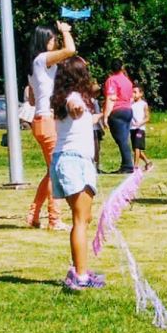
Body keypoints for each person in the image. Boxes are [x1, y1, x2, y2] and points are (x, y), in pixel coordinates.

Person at [50, 56, 105, 290]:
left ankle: (79, 269)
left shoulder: (65, 96)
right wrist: (79, 107)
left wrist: (104, 112)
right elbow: (75, 110)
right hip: (74, 162)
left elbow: (81, 119)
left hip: (68, 160)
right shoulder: (73, 98)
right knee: (81, 221)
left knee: (84, 219)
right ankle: (80, 276)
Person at [26, 22, 76, 231]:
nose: (55, 42)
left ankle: (33, 215)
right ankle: (54, 220)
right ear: (45, 40)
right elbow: (70, 50)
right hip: (47, 121)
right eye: (53, 38)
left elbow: (30, 99)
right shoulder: (42, 60)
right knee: (56, 172)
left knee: (50, 171)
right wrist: (66, 31)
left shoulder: (34, 66)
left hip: (39, 121)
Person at [103, 60, 135, 173]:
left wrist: (105, 116)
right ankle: (127, 163)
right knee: (125, 139)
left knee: (121, 140)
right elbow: (131, 98)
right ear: (122, 67)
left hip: (117, 111)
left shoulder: (111, 80)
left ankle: (127, 165)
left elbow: (111, 98)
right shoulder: (128, 81)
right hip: (128, 110)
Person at [130, 83, 153, 171]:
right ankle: (148, 162)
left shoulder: (143, 104)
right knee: (136, 149)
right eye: (132, 92)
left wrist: (140, 123)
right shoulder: (130, 103)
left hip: (140, 129)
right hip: (132, 128)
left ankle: (135, 166)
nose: (133, 94)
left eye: (135, 92)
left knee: (137, 147)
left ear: (141, 93)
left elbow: (147, 117)